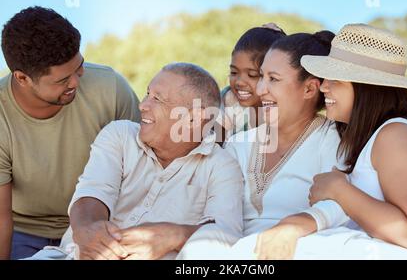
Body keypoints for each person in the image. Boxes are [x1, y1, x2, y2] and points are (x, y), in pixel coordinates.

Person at [27, 63, 244, 260]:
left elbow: (227, 234)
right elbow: (93, 192)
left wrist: (175, 235)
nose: (142, 105)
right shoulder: (120, 135)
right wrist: (88, 230)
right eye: (147, 94)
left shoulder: (221, 165)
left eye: (157, 99)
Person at [178, 30, 350, 260]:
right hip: (236, 251)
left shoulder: (330, 139)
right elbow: (215, 213)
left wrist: (297, 225)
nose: (260, 90)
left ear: (309, 89)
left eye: (273, 79)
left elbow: (343, 204)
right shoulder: (238, 144)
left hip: (300, 249)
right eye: (261, 77)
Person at [0, 7, 141, 260]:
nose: (76, 82)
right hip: (23, 231)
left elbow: (146, 169)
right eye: (62, 80)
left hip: (103, 221)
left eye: (80, 67)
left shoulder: (111, 88)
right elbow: (0, 217)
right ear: (22, 78)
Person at [300, 23, 407, 256]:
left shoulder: (397, 136)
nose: (324, 86)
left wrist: (339, 190)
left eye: (335, 80)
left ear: (366, 88)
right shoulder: (378, 136)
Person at [216, 23, 286, 140]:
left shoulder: (283, 112)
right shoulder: (228, 100)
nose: (239, 82)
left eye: (252, 75)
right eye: (234, 72)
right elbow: (215, 146)